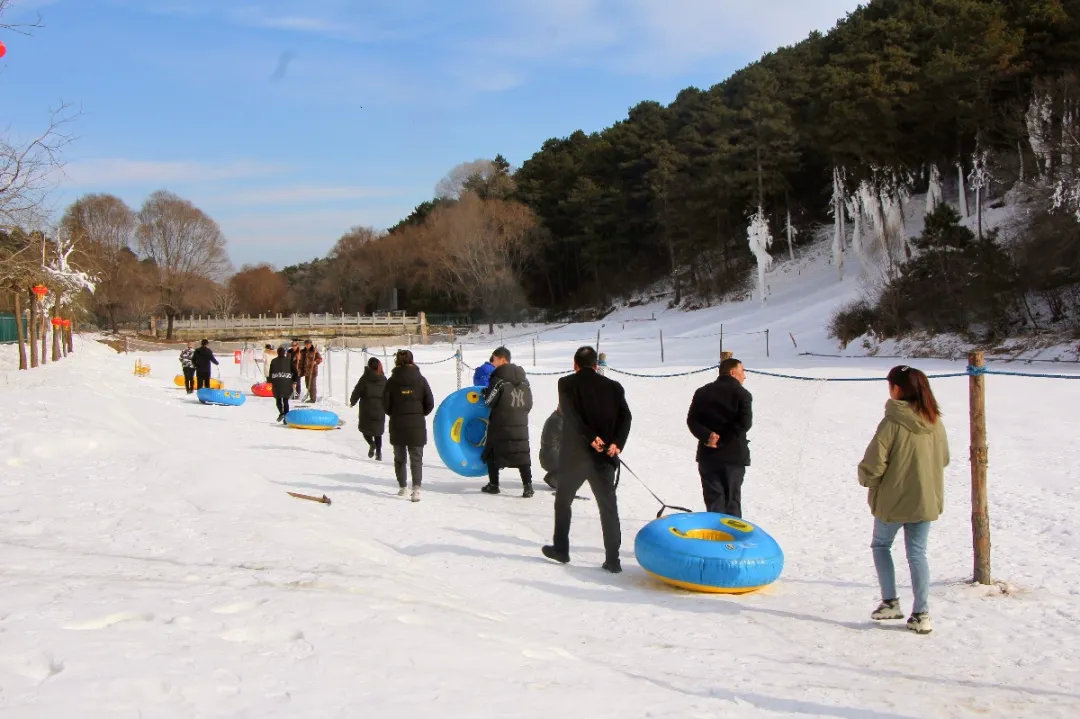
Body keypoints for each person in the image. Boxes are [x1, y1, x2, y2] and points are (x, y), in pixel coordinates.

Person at [858, 365, 950, 635]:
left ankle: (890, 601)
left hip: (893, 500)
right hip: (926, 499)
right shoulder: (935, 421)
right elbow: (944, 458)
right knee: (917, 554)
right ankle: (922, 612)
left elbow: (874, 463)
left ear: (897, 389)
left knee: (881, 545)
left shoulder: (892, 422)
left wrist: (868, 480)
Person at [542, 345, 631, 573]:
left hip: (574, 457)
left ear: (575, 365)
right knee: (608, 507)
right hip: (604, 458)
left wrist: (591, 437)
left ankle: (561, 549)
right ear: (596, 365)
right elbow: (626, 417)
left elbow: (570, 415)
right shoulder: (614, 387)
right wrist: (617, 444)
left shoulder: (566, 383)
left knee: (563, 502)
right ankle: (613, 560)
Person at [686, 357, 752, 517]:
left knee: (714, 503)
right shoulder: (742, 394)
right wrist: (723, 439)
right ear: (732, 372)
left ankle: (716, 538)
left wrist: (708, 436)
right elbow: (745, 423)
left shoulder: (702, 392)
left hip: (708, 456)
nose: (745, 376)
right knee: (732, 504)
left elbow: (692, 420)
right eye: (742, 371)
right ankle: (732, 540)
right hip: (733, 456)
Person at [480, 346, 534, 498]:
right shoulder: (524, 380)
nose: (493, 362)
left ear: (502, 359)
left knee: (492, 452)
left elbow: (489, 402)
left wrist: (485, 394)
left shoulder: (498, 379)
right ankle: (528, 486)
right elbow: (529, 403)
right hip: (520, 422)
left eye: (495, 359)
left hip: (500, 423)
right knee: (522, 452)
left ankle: (494, 484)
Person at [384, 349, 434, 502]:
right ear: (412, 361)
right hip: (416, 424)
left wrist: (395, 413)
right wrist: (420, 414)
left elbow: (385, 404)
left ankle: (402, 487)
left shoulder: (391, 381)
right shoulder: (421, 380)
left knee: (399, 458)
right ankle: (416, 489)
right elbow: (430, 403)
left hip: (398, 423)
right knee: (416, 458)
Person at [350, 357, 387, 461]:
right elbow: (388, 393)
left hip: (366, 409)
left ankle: (372, 444)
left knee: (364, 429)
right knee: (378, 432)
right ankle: (379, 453)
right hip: (380, 409)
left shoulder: (365, 378)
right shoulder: (383, 379)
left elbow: (357, 390)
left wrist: (353, 401)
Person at [267, 345, 297, 422]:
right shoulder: (289, 360)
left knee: (278, 400)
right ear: (284, 353)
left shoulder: (273, 361)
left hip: (277, 383)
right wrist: (295, 381)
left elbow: (271, 372)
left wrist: (270, 381)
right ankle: (286, 418)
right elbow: (295, 371)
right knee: (285, 400)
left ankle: (282, 413)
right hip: (287, 383)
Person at [538, 407, 562, 489]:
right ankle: (554, 478)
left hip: (547, 456)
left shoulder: (555, 417)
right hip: (551, 458)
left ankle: (554, 476)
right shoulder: (558, 421)